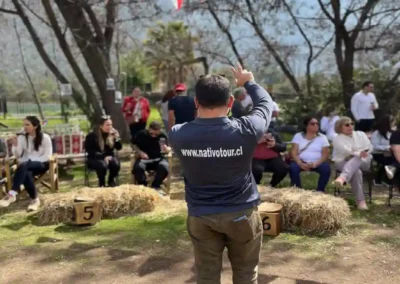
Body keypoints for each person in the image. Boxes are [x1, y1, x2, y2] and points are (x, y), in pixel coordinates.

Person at [169, 64, 272, 284]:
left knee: (206, 277)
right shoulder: (247, 129)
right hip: (241, 213)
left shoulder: (178, 135)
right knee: (246, 275)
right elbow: (265, 103)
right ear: (231, 103)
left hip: (201, 215)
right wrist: (249, 82)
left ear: (196, 102)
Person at [0, 116, 53, 211]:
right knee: (26, 173)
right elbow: (18, 155)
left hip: (42, 164)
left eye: (27, 124)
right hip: (27, 165)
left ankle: (12, 193)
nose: (24, 127)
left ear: (35, 126)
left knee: (24, 165)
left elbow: (47, 156)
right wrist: (15, 145)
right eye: (24, 124)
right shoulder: (23, 137)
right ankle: (35, 200)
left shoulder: (45, 138)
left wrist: (31, 161)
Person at [332, 117, 373, 210]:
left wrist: (359, 153)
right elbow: (346, 151)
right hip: (342, 161)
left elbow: (370, 147)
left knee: (357, 158)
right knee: (357, 172)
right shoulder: (337, 139)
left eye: (352, 124)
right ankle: (361, 201)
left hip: (364, 161)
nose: (350, 126)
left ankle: (343, 177)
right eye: (347, 125)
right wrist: (358, 153)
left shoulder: (361, 134)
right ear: (340, 127)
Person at [289, 117, 331, 192]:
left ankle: (320, 191)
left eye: (317, 123)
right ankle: (297, 190)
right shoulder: (298, 136)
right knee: (293, 168)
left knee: (326, 169)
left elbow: (325, 154)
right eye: (312, 124)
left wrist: (315, 164)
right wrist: (300, 164)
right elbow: (294, 152)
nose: (316, 125)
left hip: (317, 162)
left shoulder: (322, 137)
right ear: (306, 126)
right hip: (301, 161)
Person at [132, 121, 170, 194]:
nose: (154, 135)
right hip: (144, 159)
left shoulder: (163, 136)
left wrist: (167, 149)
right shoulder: (141, 134)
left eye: (156, 133)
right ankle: (143, 187)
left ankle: (155, 186)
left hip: (158, 158)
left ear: (160, 130)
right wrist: (140, 152)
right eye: (152, 133)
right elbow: (134, 145)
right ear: (149, 129)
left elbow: (169, 149)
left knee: (164, 166)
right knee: (138, 168)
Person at [84, 116, 122, 188]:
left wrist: (117, 138)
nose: (110, 127)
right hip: (95, 158)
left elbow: (119, 147)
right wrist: (103, 157)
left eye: (111, 125)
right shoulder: (92, 136)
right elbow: (90, 150)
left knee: (116, 164)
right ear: (101, 126)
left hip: (109, 156)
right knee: (102, 165)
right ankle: (102, 184)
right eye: (107, 125)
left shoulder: (112, 134)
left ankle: (111, 181)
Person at [371, 115, 395, 186]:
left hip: (389, 153)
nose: (393, 125)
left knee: (395, 162)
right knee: (388, 163)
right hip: (378, 154)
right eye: (392, 123)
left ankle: (387, 179)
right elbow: (374, 146)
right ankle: (378, 179)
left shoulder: (390, 133)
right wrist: (388, 147)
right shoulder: (376, 133)